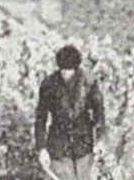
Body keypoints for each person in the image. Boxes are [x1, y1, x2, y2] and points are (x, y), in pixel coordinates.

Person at [34, 44, 105, 180]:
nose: (65, 73)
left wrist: (100, 139)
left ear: (76, 68)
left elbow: (99, 113)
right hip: (58, 145)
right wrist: (41, 148)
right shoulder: (48, 85)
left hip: (84, 144)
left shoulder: (89, 82)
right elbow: (40, 118)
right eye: (63, 70)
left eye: (69, 70)